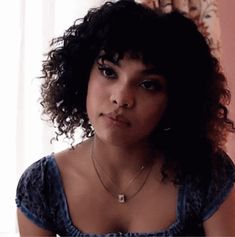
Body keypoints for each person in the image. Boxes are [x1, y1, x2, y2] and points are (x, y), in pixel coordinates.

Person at [16, 0, 235, 236]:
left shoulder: (207, 173)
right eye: (108, 72)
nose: (121, 98)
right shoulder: (42, 186)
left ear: (176, 99)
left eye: (148, 84)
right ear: (83, 75)